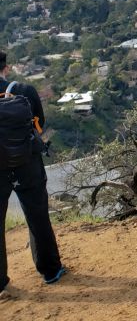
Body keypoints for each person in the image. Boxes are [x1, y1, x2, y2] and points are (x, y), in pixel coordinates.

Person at [0, 51, 65, 297]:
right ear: (6, 68)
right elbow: (38, 124)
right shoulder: (24, 90)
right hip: (27, 162)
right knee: (37, 214)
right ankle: (50, 270)